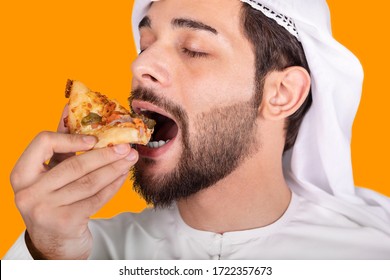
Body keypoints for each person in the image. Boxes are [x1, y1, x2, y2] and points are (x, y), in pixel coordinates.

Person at [4, 0, 390, 260]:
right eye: (145, 45)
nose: (140, 67)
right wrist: (47, 253)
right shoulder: (76, 253)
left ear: (281, 94)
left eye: (193, 48)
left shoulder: (374, 252)